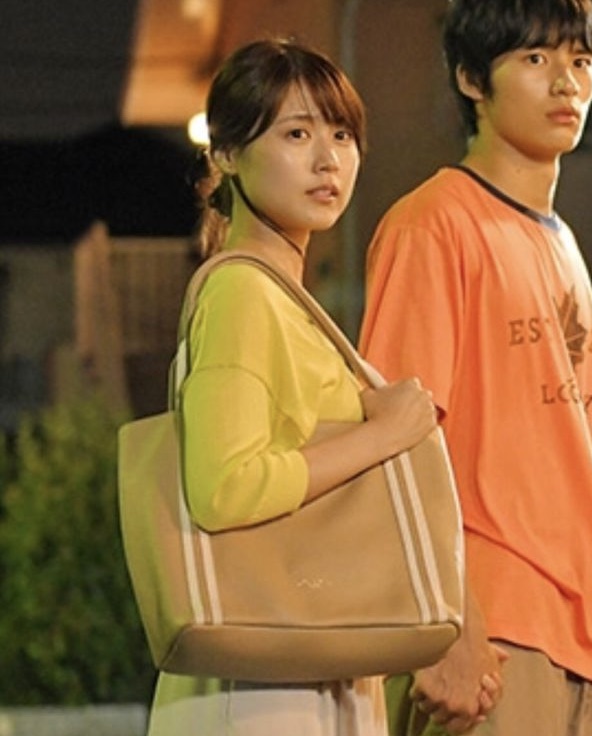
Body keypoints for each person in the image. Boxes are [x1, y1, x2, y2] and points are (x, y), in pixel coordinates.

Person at [145, 38, 439, 736]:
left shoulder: (282, 299)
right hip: (263, 687)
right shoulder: (244, 293)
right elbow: (226, 487)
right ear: (225, 154)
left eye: (342, 135)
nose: (328, 159)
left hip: (298, 659)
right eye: (297, 134)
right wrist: (383, 434)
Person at [358, 1, 592, 734]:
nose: (566, 83)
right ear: (471, 78)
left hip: (584, 632)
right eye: (536, 59)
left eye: (582, 62)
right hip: (491, 633)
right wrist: (449, 622)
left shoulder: (563, 242)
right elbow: (393, 447)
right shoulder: (433, 224)